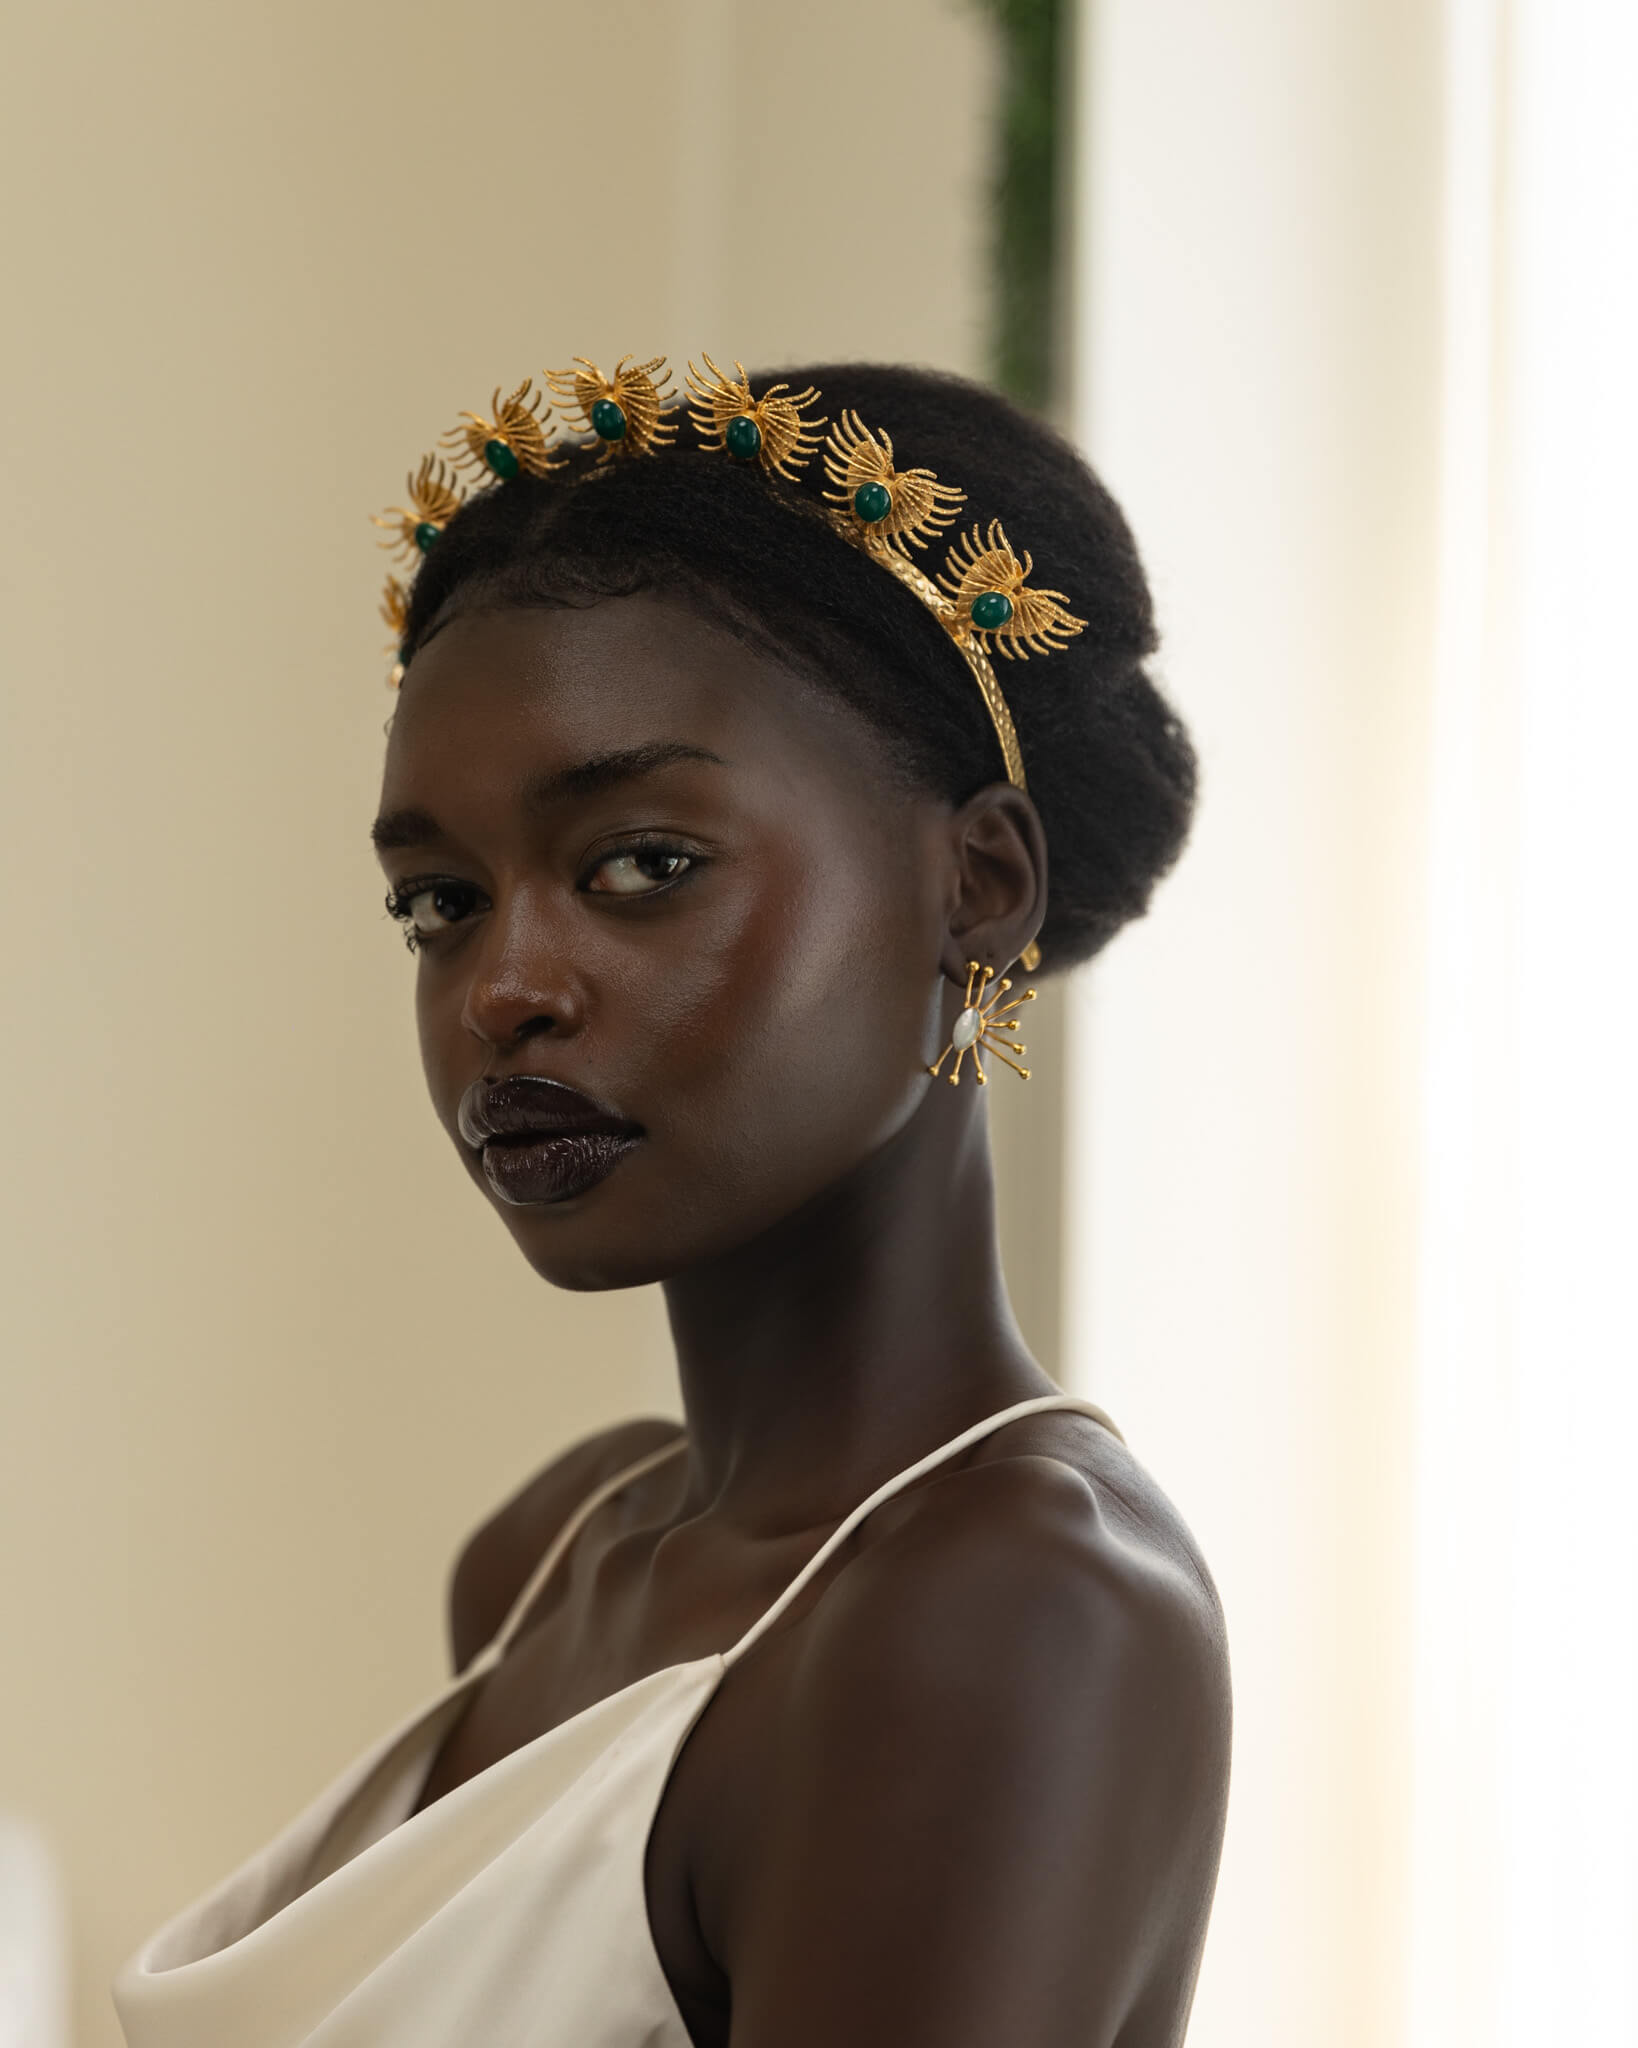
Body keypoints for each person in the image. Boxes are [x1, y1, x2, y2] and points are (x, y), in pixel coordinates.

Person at [114, 358, 1230, 2048]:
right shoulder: (554, 1552)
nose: (504, 989)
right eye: (438, 901)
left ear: (977, 887)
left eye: (640, 863)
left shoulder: (1009, 1610)